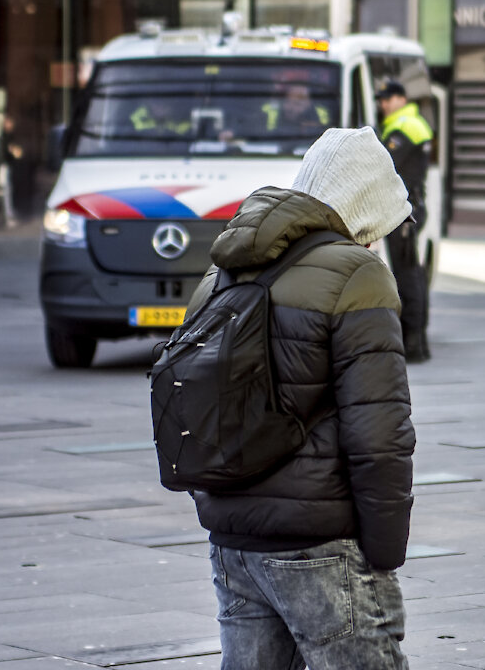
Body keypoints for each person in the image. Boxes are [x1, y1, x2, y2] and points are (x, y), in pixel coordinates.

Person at [184, 127, 417, 669]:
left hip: (234, 539)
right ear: (366, 209)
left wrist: (218, 508)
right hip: (322, 543)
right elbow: (379, 434)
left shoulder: (224, 269)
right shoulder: (358, 274)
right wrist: (383, 551)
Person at [377, 81, 434, 363]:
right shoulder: (411, 122)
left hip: (404, 212)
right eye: (381, 100)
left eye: (388, 99)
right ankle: (417, 340)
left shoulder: (404, 127)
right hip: (411, 208)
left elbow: (385, 162)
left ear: (401, 98)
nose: (383, 104)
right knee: (413, 274)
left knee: (407, 276)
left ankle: (412, 342)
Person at [263, 83, 329, 134]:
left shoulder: (321, 114)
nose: (290, 108)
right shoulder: (268, 110)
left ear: (309, 104)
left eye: (297, 104)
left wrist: (314, 128)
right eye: (288, 101)